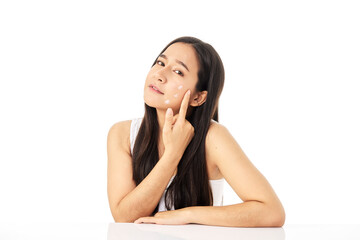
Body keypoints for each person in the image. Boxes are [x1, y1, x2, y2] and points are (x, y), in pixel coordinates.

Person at [107, 36, 285, 227]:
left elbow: (271, 211)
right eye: (160, 62)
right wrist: (172, 155)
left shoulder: (213, 137)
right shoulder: (122, 134)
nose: (159, 74)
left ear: (198, 98)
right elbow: (123, 216)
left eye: (178, 71)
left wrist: (187, 215)